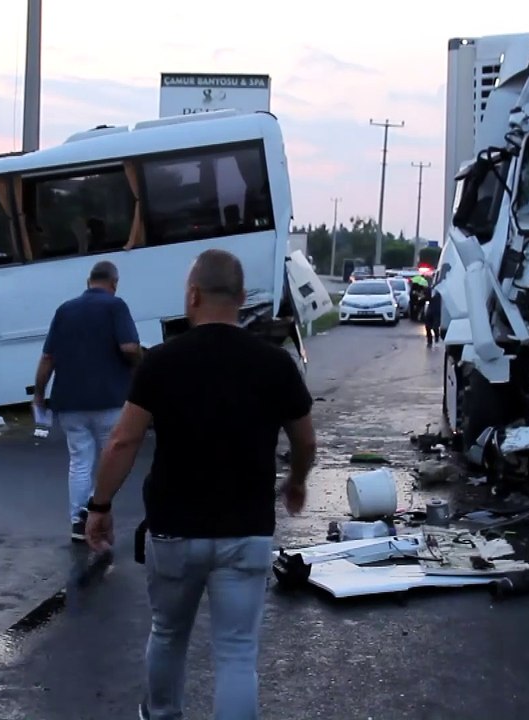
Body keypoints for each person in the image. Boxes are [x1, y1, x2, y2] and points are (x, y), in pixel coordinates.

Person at [85, 248, 317, 720]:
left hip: (174, 529)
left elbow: (121, 442)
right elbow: (305, 438)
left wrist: (100, 505)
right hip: (246, 530)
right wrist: (296, 480)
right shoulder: (274, 363)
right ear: (242, 297)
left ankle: (163, 715)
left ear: (192, 295)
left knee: (168, 633)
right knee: (236, 651)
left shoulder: (162, 363)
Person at [32, 260, 142, 542]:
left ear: (88, 281)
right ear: (114, 284)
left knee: (80, 461)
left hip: (69, 402)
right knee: (110, 457)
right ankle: (99, 516)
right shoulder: (115, 306)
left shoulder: (64, 310)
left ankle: (78, 521)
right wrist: (141, 367)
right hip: (109, 398)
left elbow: (48, 358)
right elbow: (129, 347)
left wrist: (40, 394)